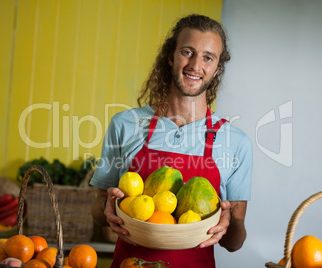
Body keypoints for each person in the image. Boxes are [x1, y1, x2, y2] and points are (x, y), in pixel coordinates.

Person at [90, 14, 252, 268]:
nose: (195, 65)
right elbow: (99, 212)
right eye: (188, 52)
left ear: (217, 67)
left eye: (208, 57)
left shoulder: (236, 142)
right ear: (170, 56)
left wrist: (228, 223)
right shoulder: (124, 124)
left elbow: (234, 243)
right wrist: (107, 208)